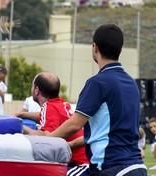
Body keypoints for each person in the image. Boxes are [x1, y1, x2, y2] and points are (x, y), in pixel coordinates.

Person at [49, 24, 146, 176]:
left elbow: (74, 124)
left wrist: (47, 140)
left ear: (95, 47)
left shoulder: (98, 83)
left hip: (111, 167)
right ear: (120, 49)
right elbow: (108, 132)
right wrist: (72, 144)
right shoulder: (131, 83)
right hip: (136, 167)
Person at [22, 72, 89, 175]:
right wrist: (21, 114)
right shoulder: (62, 104)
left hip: (80, 163)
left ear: (36, 90)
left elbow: (47, 137)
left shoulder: (47, 107)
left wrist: (21, 128)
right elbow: (42, 116)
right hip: (85, 159)